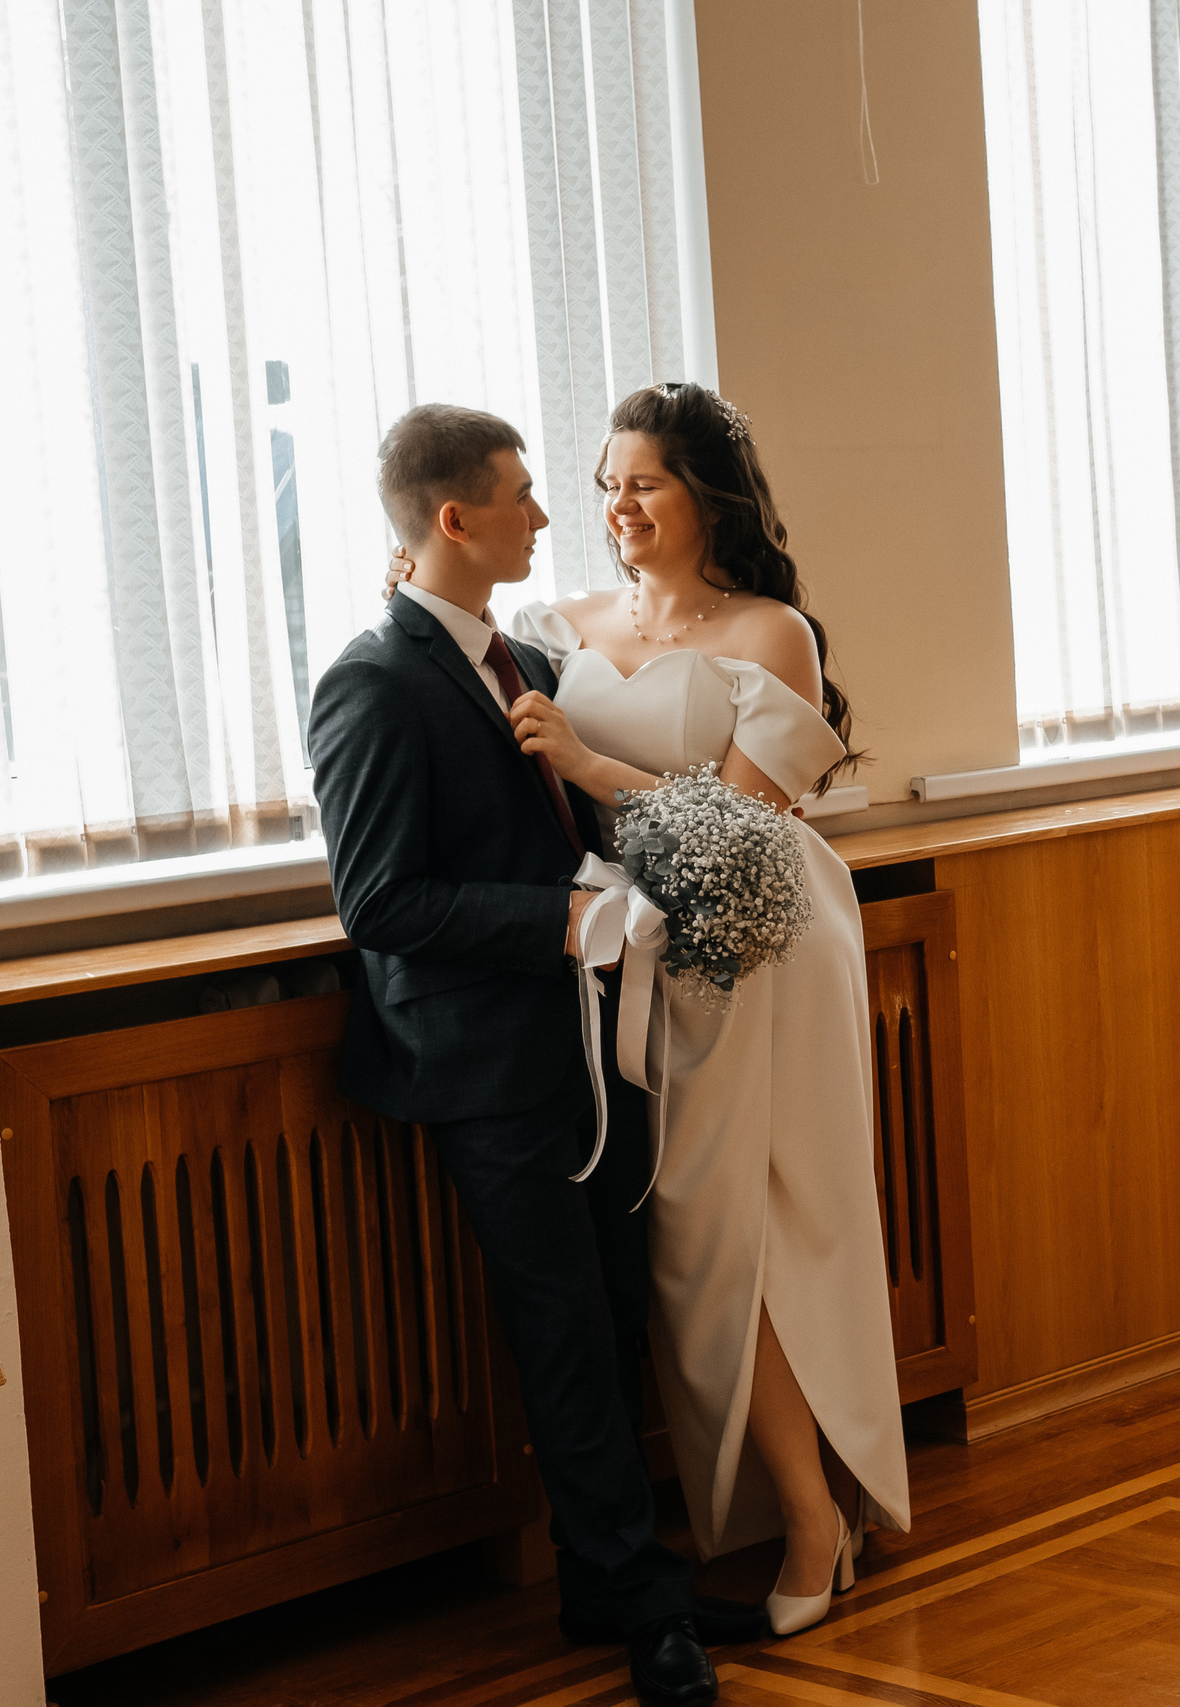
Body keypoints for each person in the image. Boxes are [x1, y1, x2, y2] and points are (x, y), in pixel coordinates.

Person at [308, 406, 751, 1707]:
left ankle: (605, 1581)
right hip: (485, 1059)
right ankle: (648, 1608)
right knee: (560, 1329)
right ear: (453, 519)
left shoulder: (528, 664)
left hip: (588, 1041)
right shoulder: (372, 680)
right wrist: (559, 921)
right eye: (519, 494)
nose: (545, 516)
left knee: (615, 1311)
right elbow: (380, 900)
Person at [494, 382, 908, 1638]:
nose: (617, 505)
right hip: (638, 958)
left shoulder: (771, 633)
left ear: (706, 496)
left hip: (766, 951)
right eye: (608, 480)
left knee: (767, 1233)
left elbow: (740, 835)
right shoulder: (558, 625)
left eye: (646, 482)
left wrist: (584, 762)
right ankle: (809, 1499)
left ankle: (814, 1517)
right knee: (693, 1247)